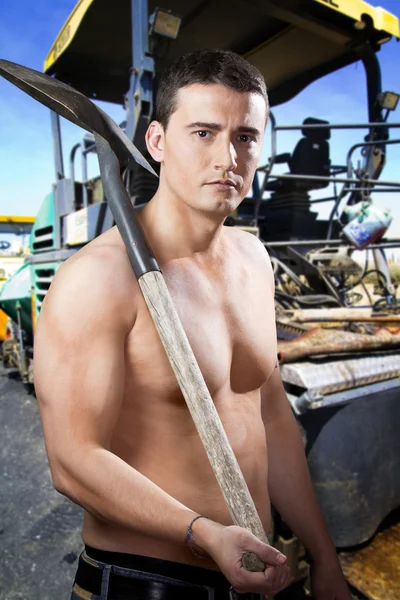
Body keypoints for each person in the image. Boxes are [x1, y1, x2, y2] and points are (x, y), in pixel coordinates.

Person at [34, 49, 352, 600]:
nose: (228, 156)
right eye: (204, 132)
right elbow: (73, 461)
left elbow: (272, 421)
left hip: (257, 572)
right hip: (145, 579)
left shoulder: (254, 262)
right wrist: (203, 534)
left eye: (246, 137)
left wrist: (323, 558)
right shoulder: (97, 279)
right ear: (157, 142)